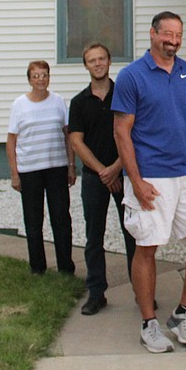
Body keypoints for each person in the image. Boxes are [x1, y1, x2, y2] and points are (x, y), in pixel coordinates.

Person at [112, 12, 186, 354]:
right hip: (151, 177)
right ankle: (149, 323)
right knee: (147, 247)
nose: (172, 40)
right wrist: (136, 180)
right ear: (152, 34)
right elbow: (121, 131)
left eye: (178, 35)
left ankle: (183, 312)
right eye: (167, 34)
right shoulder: (131, 76)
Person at [68, 42, 133, 315]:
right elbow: (76, 142)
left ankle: (141, 291)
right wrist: (104, 173)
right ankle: (96, 293)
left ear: (109, 61)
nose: (98, 63)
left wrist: (117, 167)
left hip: (124, 172)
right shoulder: (79, 102)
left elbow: (133, 135)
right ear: (86, 65)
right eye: (92, 60)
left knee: (133, 233)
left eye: (102, 58)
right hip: (95, 178)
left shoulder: (125, 95)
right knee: (94, 236)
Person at [6, 60, 76, 276]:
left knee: (61, 218)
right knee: (34, 220)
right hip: (30, 170)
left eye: (44, 75)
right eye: (36, 76)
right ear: (29, 79)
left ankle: (65, 267)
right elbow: (11, 141)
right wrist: (15, 173)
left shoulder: (58, 102)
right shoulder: (19, 104)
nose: (40, 79)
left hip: (56, 167)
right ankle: (37, 267)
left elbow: (68, 136)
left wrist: (71, 165)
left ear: (49, 77)